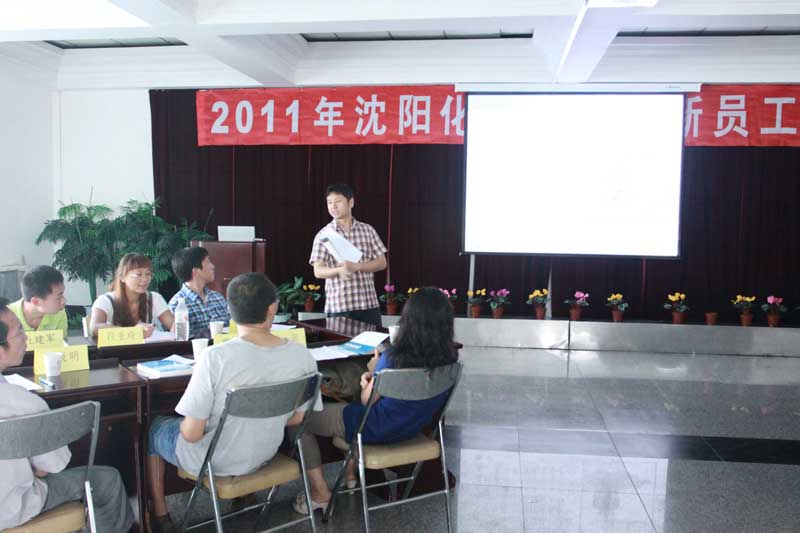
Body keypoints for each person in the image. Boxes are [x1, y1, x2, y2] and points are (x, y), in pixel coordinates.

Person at [146, 273, 322, 533]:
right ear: (273, 308)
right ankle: (244, 496)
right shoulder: (302, 356)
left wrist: (184, 422)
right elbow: (297, 419)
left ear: (229, 310)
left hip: (213, 462)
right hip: (264, 454)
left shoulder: (215, 357)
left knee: (153, 428)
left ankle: (160, 515)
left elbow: (192, 435)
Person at [293, 287, 458, 514]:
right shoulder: (451, 362)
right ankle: (351, 472)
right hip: (413, 431)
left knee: (298, 419)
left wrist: (369, 374)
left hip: (373, 429)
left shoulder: (393, 358)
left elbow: (365, 400)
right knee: (346, 406)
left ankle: (320, 492)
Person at [0, 297, 135, 532]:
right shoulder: (24, 403)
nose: (26, 336)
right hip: (12, 508)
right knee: (107, 480)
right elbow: (52, 466)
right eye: (19, 331)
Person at [309, 183, 387, 327]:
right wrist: (339, 270)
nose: (333, 206)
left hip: (369, 304)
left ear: (351, 202)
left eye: (338, 201)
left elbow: (382, 263)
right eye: (329, 202)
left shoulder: (367, 230)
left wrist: (358, 266)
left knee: (374, 341)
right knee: (341, 342)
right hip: (339, 306)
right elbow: (318, 271)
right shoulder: (323, 234)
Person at [90, 253, 174, 338]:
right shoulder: (105, 300)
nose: (144, 279)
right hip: (117, 347)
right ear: (122, 277)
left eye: (148, 274)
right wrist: (134, 332)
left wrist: (178, 323)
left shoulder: (154, 298)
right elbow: (94, 328)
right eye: (138, 274)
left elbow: (173, 325)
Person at [168, 246, 230, 338]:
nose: (213, 266)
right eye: (208, 262)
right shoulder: (176, 305)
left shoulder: (218, 298)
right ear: (195, 271)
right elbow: (179, 339)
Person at [7, 265, 68, 339]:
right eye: (58, 298)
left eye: (62, 294)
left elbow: (62, 343)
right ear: (36, 302)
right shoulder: (4, 316)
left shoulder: (59, 313)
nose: (64, 301)